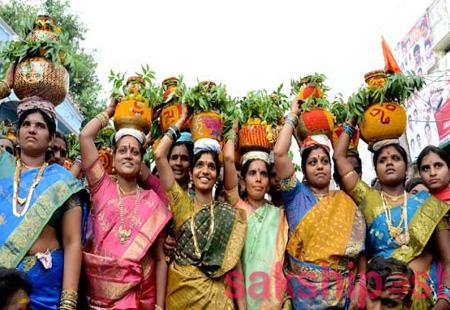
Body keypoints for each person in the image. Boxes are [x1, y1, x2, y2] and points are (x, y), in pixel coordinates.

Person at [334, 124, 450, 308]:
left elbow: (448, 259)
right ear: (377, 172)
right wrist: (352, 122)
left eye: (395, 158)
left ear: (406, 169)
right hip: (380, 289)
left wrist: (445, 298)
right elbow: (339, 157)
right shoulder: (368, 197)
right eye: (382, 160)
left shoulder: (428, 203)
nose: (389, 162)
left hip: (425, 290)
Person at [273, 99, 366, 309]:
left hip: (345, 293)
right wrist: (293, 115)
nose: (319, 166)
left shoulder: (345, 201)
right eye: (312, 162)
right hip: (304, 297)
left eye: (324, 161)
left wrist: (361, 283)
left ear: (331, 167)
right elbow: (279, 153)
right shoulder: (295, 195)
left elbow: (360, 251)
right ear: (304, 170)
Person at [79, 99, 172, 309]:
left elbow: (159, 259)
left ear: (141, 161)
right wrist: (109, 113)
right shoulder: (102, 187)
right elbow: (85, 137)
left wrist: (158, 307)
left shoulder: (153, 201)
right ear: (113, 156)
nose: (128, 155)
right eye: (123, 150)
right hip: (96, 299)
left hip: (137, 299)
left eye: (135, 151)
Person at [154, 105, 247, 309]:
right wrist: (182, 120)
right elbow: (160, 155)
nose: (205, 171)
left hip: (218, 301)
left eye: (211, 166)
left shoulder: (227, 214)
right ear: (191, 171)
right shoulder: (180, 203)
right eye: (200, 165)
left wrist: (243, 307)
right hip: (180, 298)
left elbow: (235, 267)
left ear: (216, 176)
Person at [0, 97, 84, 309]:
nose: (32, 129)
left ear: (50, 140)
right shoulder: (3, 169)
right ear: (17, 134)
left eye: (40, 126)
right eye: (26, 124)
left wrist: (68, 302)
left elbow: (73, 241)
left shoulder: (63, 181)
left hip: (45, 291)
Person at [223, 121, 289, 309]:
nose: (258, 179)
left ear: (269, 181)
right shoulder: (237, 207)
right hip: (241, 300)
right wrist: (234, 130)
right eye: (252, 173)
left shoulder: (281, 215)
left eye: (263, 174)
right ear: (243, 181)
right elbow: (228, 158)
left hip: (274, 301)